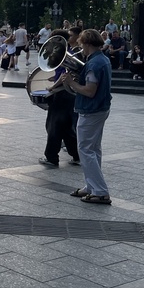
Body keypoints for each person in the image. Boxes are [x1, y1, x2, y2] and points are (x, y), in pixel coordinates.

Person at [59, 29, 112, 204]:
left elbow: (89, 91)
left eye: (81, 44)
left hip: (91, 110)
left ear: (87, 44)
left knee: (85, 150)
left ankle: (100, 191)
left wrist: (71, 82)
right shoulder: (102, 59)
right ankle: (91, 186)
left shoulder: (93, 64)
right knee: (94, 149)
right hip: (100, 108)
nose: (80, 47)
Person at [38, 30, 80, 167]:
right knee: (66, 128)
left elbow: (65, 76)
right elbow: (61, 73)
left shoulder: (68, 55)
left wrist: (52, 87)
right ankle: (77, 155)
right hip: (68, 95)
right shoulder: (66, 53)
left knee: (53, 125)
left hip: (63, 93)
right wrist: (54, 78)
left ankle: (51, 158)